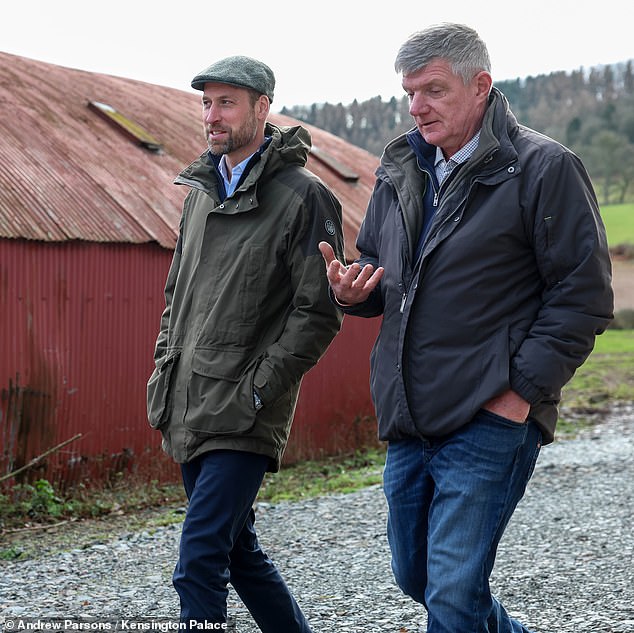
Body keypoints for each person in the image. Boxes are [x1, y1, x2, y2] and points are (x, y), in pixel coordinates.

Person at [319, 23, 614, 633]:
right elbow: (381, 268)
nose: (417, 106)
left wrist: (516, 397)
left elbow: (583, 297)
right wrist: (355, 293)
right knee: (418, 579)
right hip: (409, 416)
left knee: (452, 595)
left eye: (433, 89)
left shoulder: (542, 168)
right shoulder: (401, 166)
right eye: (409, 93)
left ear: (481, 86)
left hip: (488, 417)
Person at [147, 55, 344, 632]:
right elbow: (175, 293)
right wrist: (165, 360)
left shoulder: (304, 197)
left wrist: (259, 391)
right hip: (188, 400)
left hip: (243, 411)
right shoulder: (200, 193)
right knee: (238, 552)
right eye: (207, 102)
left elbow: (319, 312)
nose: (212, 115)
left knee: (198, 561)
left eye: (226, 102)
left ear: (263, 107)